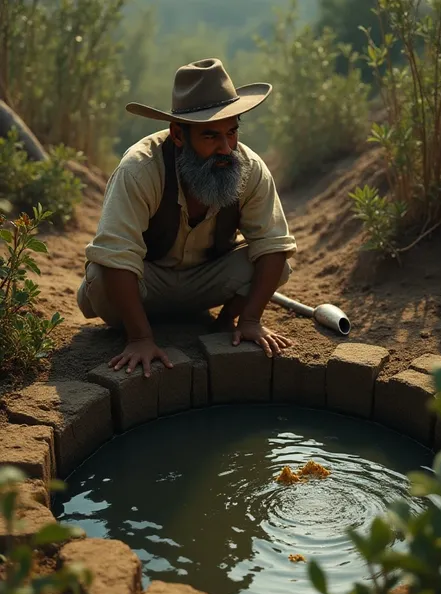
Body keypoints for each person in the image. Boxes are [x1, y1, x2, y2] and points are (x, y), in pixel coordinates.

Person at [77, 58, 297, 377]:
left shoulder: (249, 168)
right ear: (178, 135)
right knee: (100, 273)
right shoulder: (139, 169)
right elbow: (116, 253)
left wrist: (249, 320)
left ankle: (224, 324)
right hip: (145, 285)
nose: (226, 148)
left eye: (232, 133)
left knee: (277, 263)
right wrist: (141, 339)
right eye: (211, 137)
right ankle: (139, 327)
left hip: (206, 283)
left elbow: (273, 244)